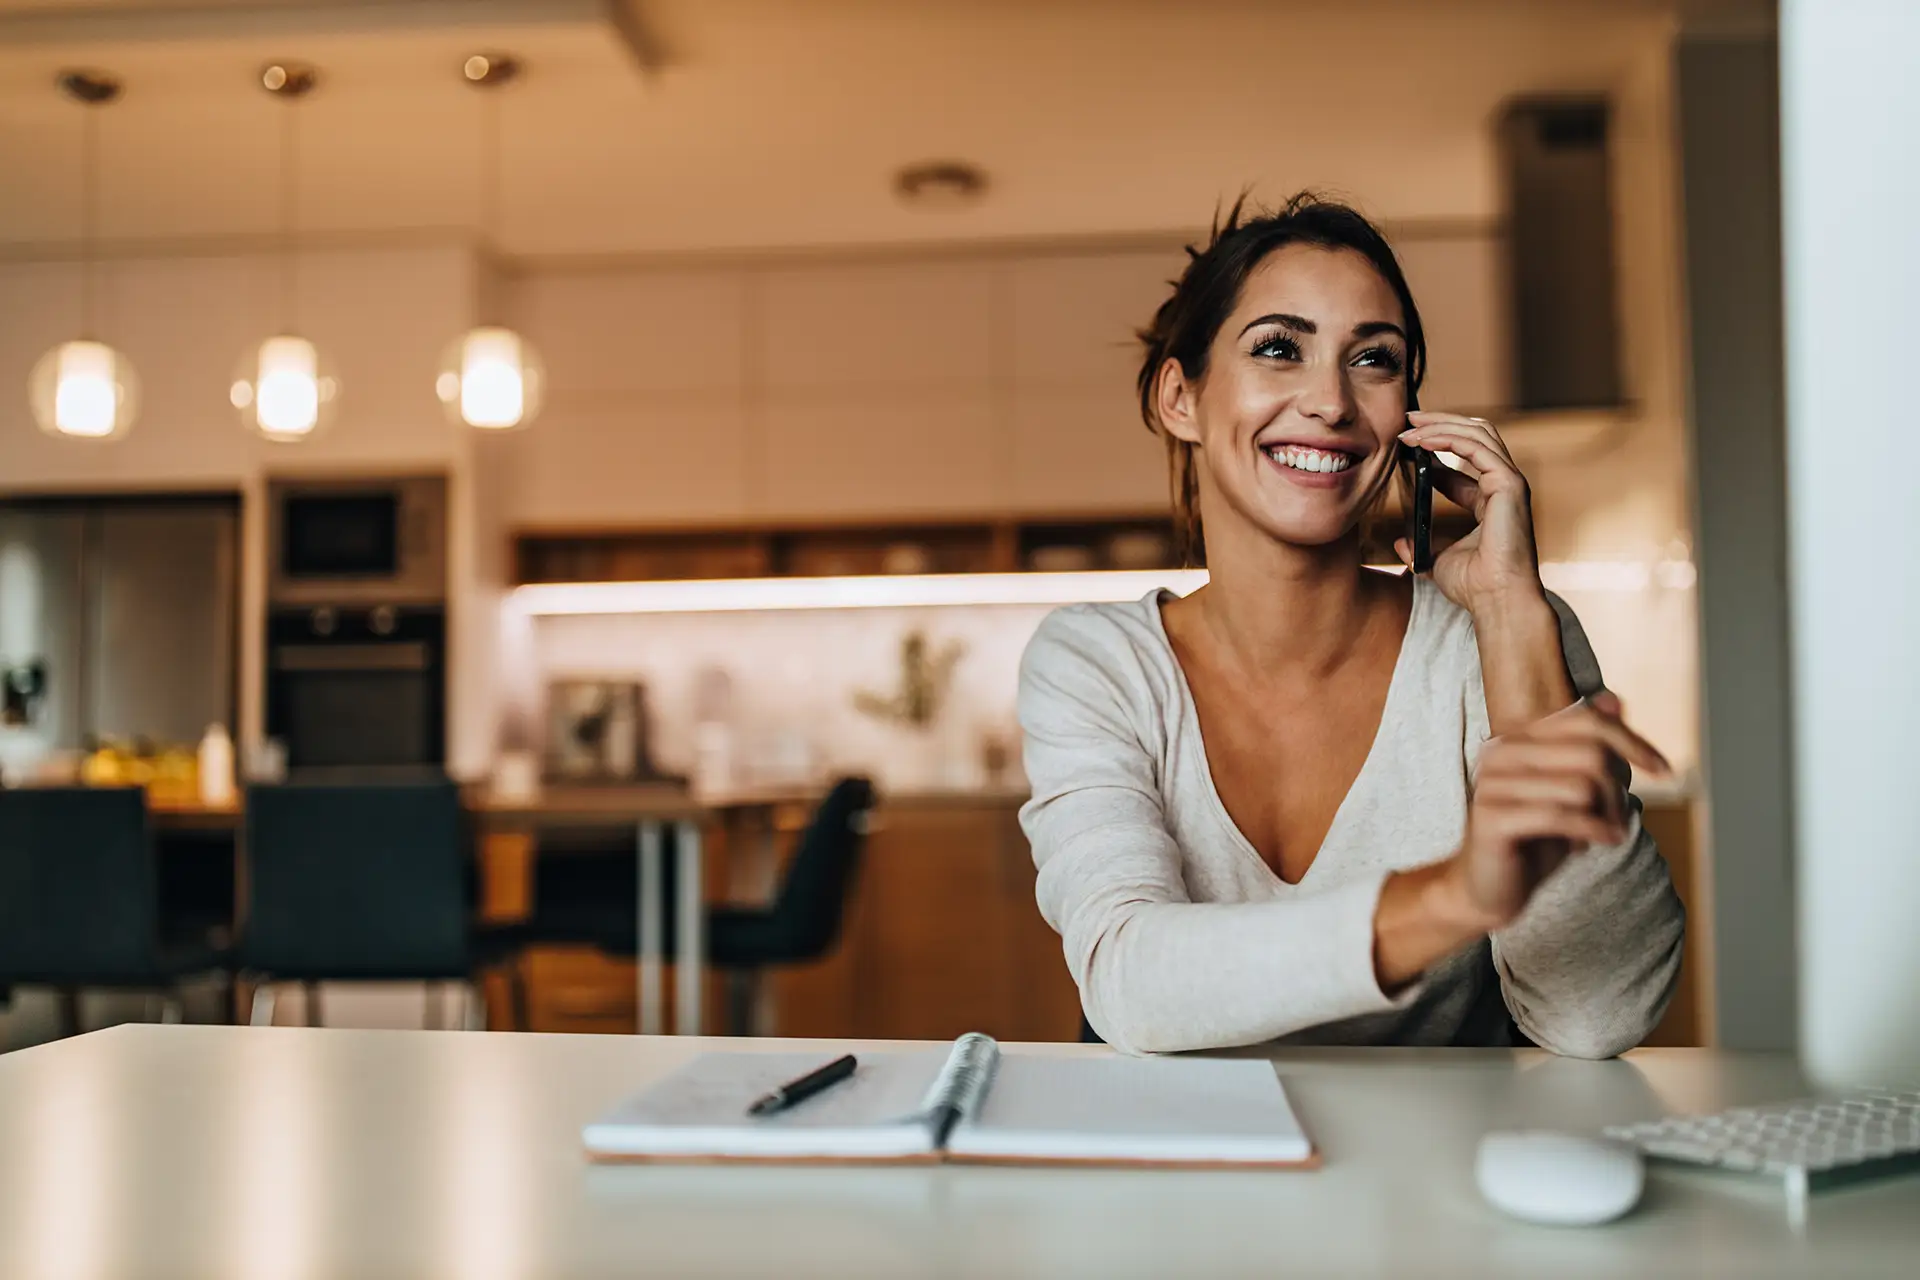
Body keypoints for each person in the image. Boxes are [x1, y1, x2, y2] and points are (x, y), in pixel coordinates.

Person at [1017, 193, 1684, 1057]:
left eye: (1373, 359)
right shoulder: (1098, 662)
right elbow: (1130, 980)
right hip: (1180, 1143)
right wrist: (1455, 895)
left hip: (1436, 1145)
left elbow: (1595, 1016)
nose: (1330, 401)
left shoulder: (1497, 634)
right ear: (1180, 398)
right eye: (1278, 348)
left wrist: (1512, 618)